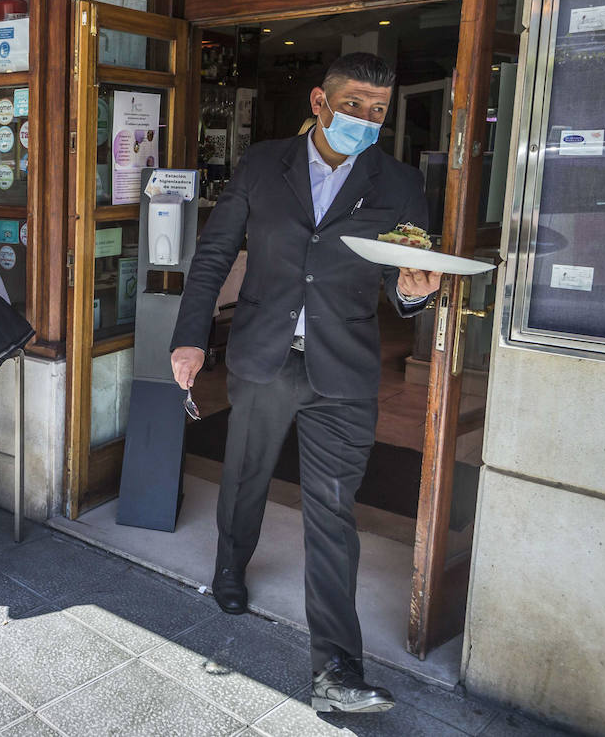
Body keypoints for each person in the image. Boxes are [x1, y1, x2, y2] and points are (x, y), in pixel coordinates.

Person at [169, 53, 443, 714]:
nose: (365, 120)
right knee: (244, 476)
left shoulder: (398, 184)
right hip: (264, 356)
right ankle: (230, 568)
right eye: (354, 105)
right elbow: (213, 256)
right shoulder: (265, 165)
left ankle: (337, 672)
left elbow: (403, 274)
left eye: (378, 110)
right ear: (321, 101)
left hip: (343, 369)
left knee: (332, 514)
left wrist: (412, 295)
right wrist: (188, 336)